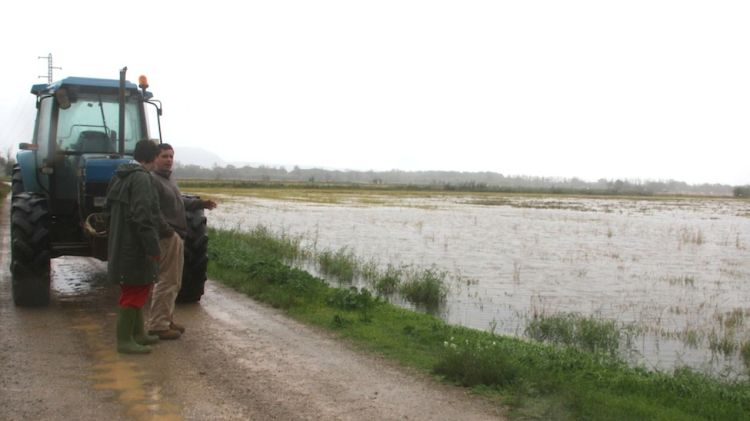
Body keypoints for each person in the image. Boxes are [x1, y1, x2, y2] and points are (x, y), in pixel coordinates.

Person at [148, 143, 217, 339]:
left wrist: (201, 203)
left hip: (176, 235)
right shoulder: (153, 181)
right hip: (167, 236)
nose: (169, 160)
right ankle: (158, 325)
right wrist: (168, 232)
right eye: (164, 156)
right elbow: (154, 211)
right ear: (154, 158)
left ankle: (166, 319)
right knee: (166, 281)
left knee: (174, 282)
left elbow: (179, 202)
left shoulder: (169, 179)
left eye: (171, 156)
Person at [106, 139, 162, 354]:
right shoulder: (141, 179)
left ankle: (138, 334)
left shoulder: (121, 175)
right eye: (159, 156)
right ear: (153, 157)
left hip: (121, 242)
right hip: (134, 247)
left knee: (139, 287)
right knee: (134, 290)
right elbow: (143, 217)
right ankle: (124, 341)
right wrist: (153, 248)